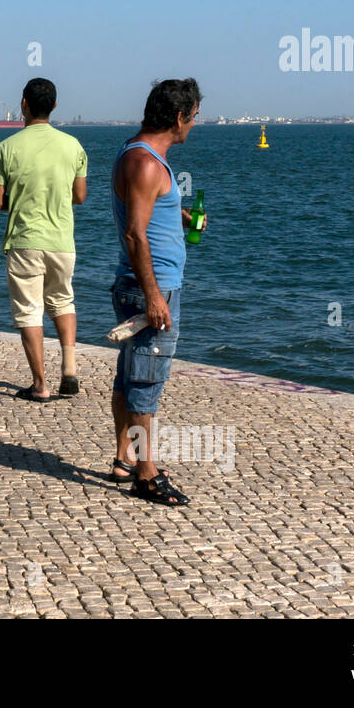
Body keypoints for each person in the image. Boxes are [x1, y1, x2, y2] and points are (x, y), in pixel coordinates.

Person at [107, 78, 202, 506]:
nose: (193, 126)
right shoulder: (147, 163)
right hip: (150, 286)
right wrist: (154, 295)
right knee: (146, 379)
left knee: (130, 375)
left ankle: (124, 460)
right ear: (180, 117)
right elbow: (134, 234)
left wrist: (175, 214)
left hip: (138, 282)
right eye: (194, 117)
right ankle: (146, 474)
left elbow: (141, 212)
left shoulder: (136, 153)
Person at [0, 78, 87, 401]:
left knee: (29, 311)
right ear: (55, 106)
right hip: (62, 240)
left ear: (23, 104)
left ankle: (41, 385)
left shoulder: (5, 148)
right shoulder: (74, 146)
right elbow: (80, 196)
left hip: (24, 240)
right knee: (63, 301)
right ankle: (69, 369)